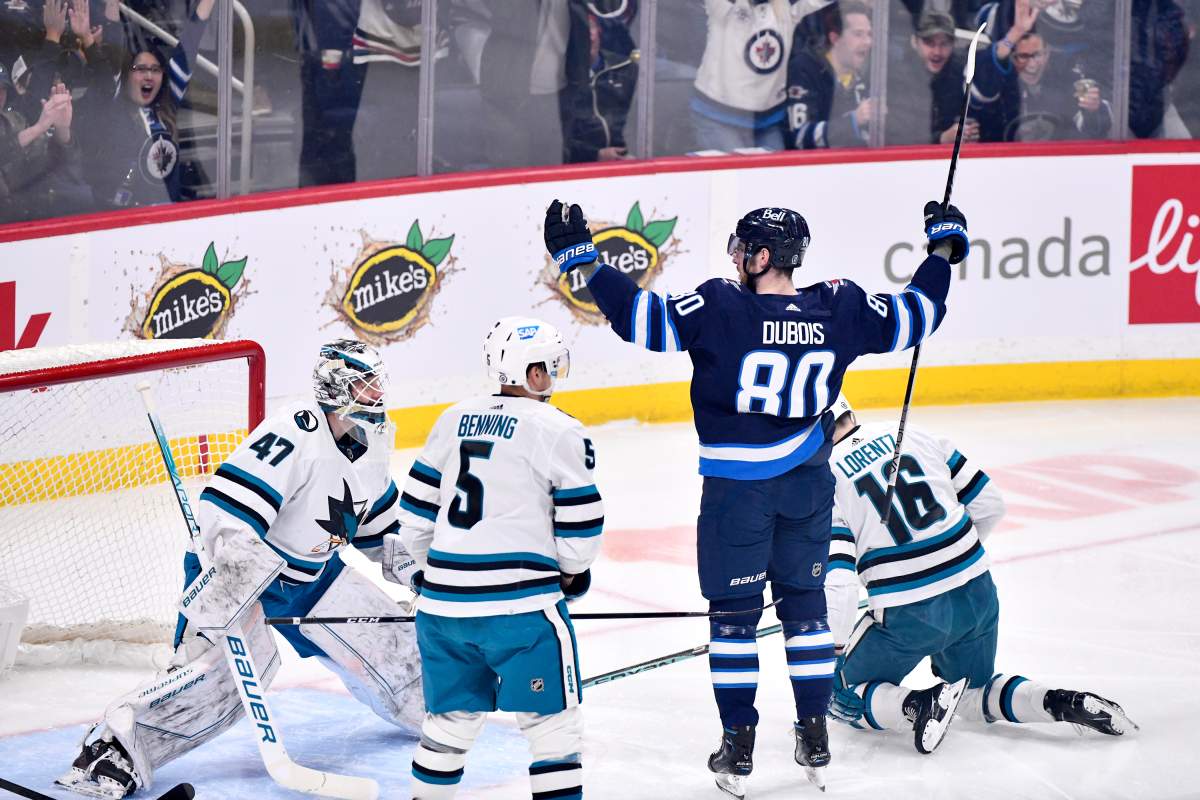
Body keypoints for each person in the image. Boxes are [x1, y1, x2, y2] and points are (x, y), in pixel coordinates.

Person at [542, 196, 968, 796]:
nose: (738, 256)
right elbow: (919, 315)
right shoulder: (839, 306)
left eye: (746, 246)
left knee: (735, 622)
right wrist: (943, 251)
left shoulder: (721, 304)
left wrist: (582, 260)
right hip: (808, 487)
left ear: (762, 255)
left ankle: (738, 745)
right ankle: (814, 732)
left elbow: (642, 320)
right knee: (806, 611)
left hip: (736, 496)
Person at [57, 339, 425, 799]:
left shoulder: (371, 441)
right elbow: (227, 513)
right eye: (364, 383)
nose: (376, 392)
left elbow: (379, 527)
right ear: (336, 386)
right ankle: (113, 752)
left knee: (393, 643)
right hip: (243, 574)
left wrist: (417, 571)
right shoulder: (296, 430)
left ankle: (436, 713)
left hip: (310, 577)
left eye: (377, 382)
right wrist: (235, 583)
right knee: (213, 683)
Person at [821, 396, 1139, 751]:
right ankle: (1061, 701)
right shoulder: (914, 434)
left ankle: (917, 706)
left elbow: (839, 583)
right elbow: (990, 504)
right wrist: (952, 560)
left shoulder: (824, 479)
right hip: (977, 592)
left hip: (911, 613)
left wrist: (833, 650)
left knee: (835, 691)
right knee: (973, 692)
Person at [396, 316, 603, 800]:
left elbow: (414, 519)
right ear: (533, 374)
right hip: (521, 614)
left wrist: (438, 576)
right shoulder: (559, 428)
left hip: (441, 614)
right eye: (551, 369)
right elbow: (582, 525)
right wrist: (571, 576)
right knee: (553, 733)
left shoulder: (451, 418)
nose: (553, 379)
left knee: (448, 729)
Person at [690, 0, 819, 152]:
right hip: (718, 118)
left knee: (775, 174)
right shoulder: (722, 5)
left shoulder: (787, 7)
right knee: (736, 174)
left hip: (767, 122)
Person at [971, 19, 1113, 141]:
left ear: (1047, 54)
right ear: (1013, 57)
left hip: (1055, 159)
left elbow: (1095, 131)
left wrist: (1094, 110)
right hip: (1004, 160)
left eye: (1037, 55)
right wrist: (1011, 37)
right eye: (1024, 56)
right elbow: (978, 92)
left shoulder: (1067, 82)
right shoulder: (997, 85)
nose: (1032, 64)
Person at [0, 75, 90, 222]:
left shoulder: (15, 121)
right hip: (6, 224)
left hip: (29, 215)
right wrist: (38, 128)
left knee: (83, 198)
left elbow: (48, 162)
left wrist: (62, 130)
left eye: (2, 89)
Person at [787, 0, 874, 149]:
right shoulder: (804, 69)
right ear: (835, 38)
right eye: (858, 34)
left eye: (869, 34)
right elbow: (799, 137)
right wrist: (853, 120)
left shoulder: (865, 73)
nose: (867, 42)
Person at [884, 10, 978, 145]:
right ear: (915, 42)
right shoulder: (898, 77)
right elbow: (901, 137)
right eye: (930, 43)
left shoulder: (963, 72)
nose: (937, 52)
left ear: (954, 44)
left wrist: (972, 132)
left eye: (944, 44)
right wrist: (942, 138)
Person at [564, 7, 638, 163]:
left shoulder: (626, 70)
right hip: (579, 171)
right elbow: (555, 139)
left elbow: (639, 120)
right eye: (579, 30)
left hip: (627, 165)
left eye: (589, 28)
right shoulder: (559, 81)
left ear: (598, 31)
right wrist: (595, 155)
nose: (586, 36)